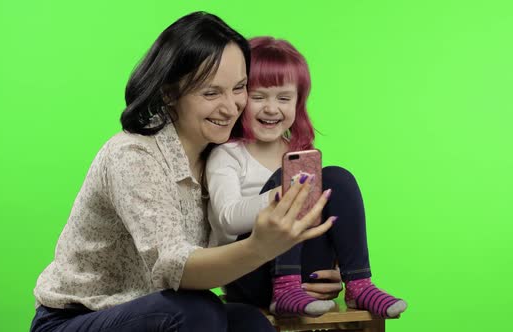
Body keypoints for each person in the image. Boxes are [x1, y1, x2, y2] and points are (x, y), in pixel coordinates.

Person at [30, 13, 336, 332]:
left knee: (249, 322)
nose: (231, 106)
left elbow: (243, 242)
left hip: (166, 311)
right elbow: (174, 268)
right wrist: (262, 246)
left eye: (240, 88)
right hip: (77, 318)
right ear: (169, 93)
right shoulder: (134, 154)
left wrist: (312, 271)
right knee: (199, 310)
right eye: (210, 93)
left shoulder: (225, 157)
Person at [206, 36, 407, 318]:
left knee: (338, 177)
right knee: (289, 177)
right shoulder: (228, 155)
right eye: (258, 96)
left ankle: (359, 284)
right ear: (240, 98)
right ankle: (285, 288)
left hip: (302, 273)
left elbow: (319, 223)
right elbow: (227, 219)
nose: (271, 108)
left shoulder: (298, 154)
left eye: (284, 98)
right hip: (249, 272)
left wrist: (333, 270)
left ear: (298, 103)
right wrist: (284, 195)